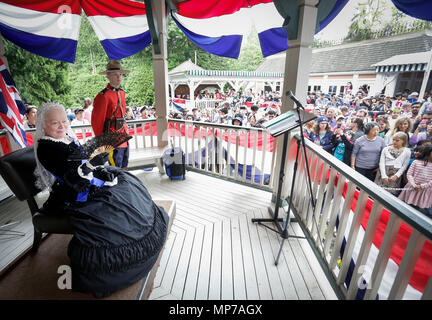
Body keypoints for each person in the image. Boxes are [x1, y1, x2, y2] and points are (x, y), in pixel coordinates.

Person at [33, 102, 168, 298]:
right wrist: (91, 163)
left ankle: (142, 232)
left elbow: (79, 161)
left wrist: (94, 160)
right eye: (55, 123)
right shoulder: (47, 148)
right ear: (43, 125)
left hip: (84, 180)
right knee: (118, 204)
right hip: (72, 193)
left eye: (64, 121)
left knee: (128, 186)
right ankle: (118, 265)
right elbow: (72, 177)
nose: (62, 126)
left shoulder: (63, 138)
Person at [92, 60, 130, 169]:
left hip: (124, 136)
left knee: (124, 167)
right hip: (112, 138)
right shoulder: (103, 96)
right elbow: (97, 121)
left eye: (121, 75)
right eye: (115, 75)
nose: (119, 78)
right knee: (115, 170)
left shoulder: (121, 93)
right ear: (108, 76)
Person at [398, 145, 432, 217]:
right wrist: (414, 185)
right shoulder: (416, 162)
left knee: (417, 210)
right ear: (428, 152)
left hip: (424, 191)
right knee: (406, 206)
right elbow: (409, 174)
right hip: (412, 188)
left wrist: (422, 186)